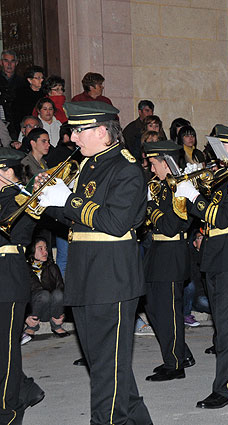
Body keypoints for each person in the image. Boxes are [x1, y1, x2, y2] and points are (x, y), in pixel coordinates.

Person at [38, 101, 152, 424]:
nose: (73, 137)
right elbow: (77, 219)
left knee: (106, 376)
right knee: (108, 368)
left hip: (111, 281)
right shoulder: (89, 166)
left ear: (103, 132)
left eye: (79, 130)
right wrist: (48, 202)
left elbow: (115, 222)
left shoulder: (127, 169)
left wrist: (68, 200)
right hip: (86, 277)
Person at [176, 124, 228, 410]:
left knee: (225, 328)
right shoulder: (225, 175)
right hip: (217, 253)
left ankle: (225, 389)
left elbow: (221, 217)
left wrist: (194, 197)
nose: (216, 151)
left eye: (223, 145)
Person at [141, 139, 195, 381]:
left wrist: (149, 206)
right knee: (153, 307)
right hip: (157, 249)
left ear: (165, 162)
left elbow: (170, 226)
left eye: (154, 164)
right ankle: (181, 353)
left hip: (172, 250)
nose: (151, 169)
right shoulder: (160, 185)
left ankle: (174, 364)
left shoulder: (179, 187)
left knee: (168, 311)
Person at [0, 147, 45, 424]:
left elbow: (20, 232)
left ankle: (9, 409)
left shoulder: (22, 198)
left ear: (8, 172)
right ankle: (26, 387)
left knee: (5, 350)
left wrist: (30, 193)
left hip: (7, 277)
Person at [23, 237, 68, 340]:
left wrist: (62, 315)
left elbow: (61, 288)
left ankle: (56, 324)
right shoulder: (24, 269)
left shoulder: (52, 267)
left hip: (52, 312)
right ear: (32, 250)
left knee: (58, 293)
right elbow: (19, 294)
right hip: (35, 310)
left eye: (46, 248)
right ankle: (32, 326)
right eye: (40, 248)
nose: (45, 252)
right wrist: (25, 316)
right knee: (43, 295)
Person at [0, 50, 26, 139]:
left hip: (17, 123)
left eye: (12, 61)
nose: (9, 64)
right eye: (6, 61)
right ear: (1, 62)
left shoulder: (23, 82)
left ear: (16, 63)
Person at [13, 65, 45, 132]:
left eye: (42, 78)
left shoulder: (45, 93)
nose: (41, 80)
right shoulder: (21, 95)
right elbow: (17, 116)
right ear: (30, 80)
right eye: (38, 78)